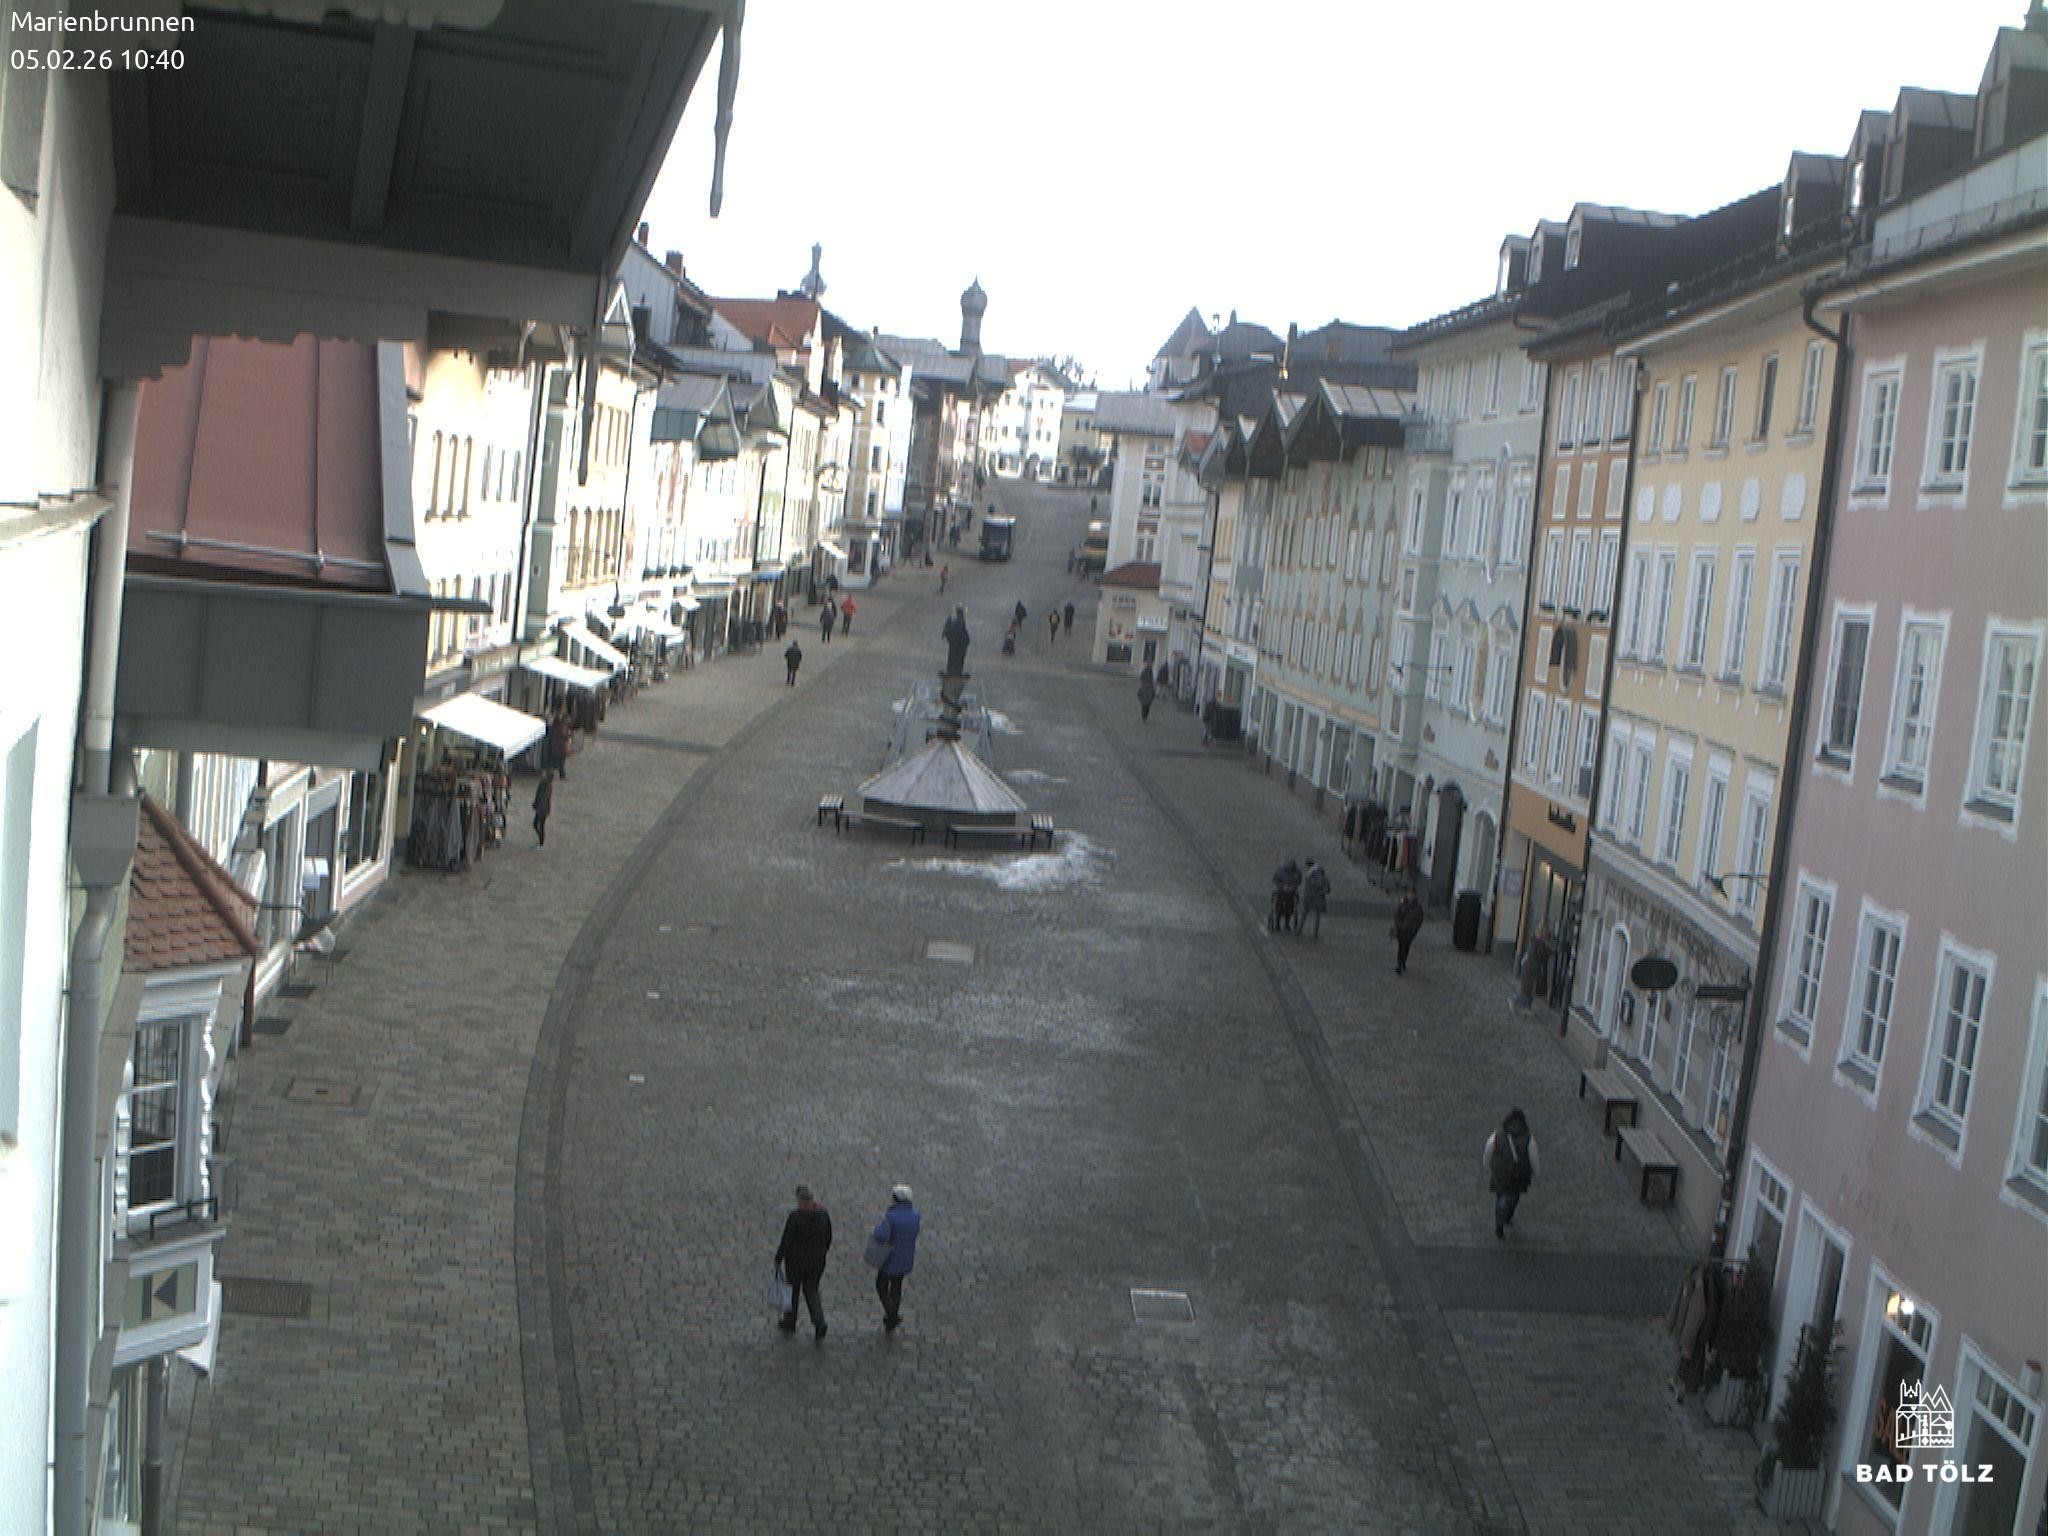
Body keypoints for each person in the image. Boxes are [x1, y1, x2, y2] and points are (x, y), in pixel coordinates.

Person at [774, 1184, 833, 1339]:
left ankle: (790, 1320)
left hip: (795, 1262)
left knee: (793, 1291)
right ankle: (819, 1321)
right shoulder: (823, 1215)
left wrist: (779, 1257)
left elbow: (786, 1240)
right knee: (812, 1291)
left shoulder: (795, 1217)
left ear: (800, 1200)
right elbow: (828, 1238)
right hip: (817, 1261)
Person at [871, 1184, 920, 1332]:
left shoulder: (891, 1217)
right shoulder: (916, 1216)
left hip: (890, 1258)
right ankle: (891, 1319)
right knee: (896, 1287)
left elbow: (880, 1235)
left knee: (881, 1285)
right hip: (906, 1257)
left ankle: (892, 1315)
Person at [1483, 1109, 1537, 1239]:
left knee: (1501, 1196)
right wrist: (1534, 1172)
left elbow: (1488, 1151)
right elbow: (1533, 1157)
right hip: (1518, 1175)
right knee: (1514, 1195)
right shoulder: (1528, 1138)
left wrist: (1489, 1166)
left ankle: (1499, 1223)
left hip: (1500, 1172)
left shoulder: (1497, 1135)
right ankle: (1507, 1216)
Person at [1392, 887, 1425, 974]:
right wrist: (1399, 924)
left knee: (1405, 947)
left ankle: (1403, 962)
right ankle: (1399, 964)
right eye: (1408, 894)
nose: (1410, 896)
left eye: (1411, 895)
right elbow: (1397, 914)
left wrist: (1412, 929)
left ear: (1415, 896)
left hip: (1410, 932)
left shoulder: (1418, 907)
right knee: (1401, 947)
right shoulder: (1402, 903)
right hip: (1401, 930)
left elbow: (1419, 920)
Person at [1519, 926, 1552, 1010]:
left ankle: (1526, 1007)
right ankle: (1516, 1002)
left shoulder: (1534, 941)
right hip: (1532, 969)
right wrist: (1552, 950)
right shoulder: (1538, 942)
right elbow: (1543, 954)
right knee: (1529, 989)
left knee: (1530, 989)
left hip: (1531, 968)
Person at [1271, 857, 1302, 932]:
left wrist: (1292, 887)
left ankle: (1287, 924)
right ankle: (1277, 924)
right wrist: (1282, 886)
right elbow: (1275, 880)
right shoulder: (1280, 871)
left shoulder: (1297, 872)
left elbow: (1298, 881)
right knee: (1279, 908)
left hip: (1291, 894)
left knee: (1289, 909)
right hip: (1281, 893)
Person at [1301, 860, 1331, 937]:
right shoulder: (1322, 876)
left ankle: (1300, 929)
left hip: (1311, 898)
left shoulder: (1312, 875)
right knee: (1316, 916)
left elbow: (1311, 887)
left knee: (1305, 913)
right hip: (1318, 899)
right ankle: (1315, 932)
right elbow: (1327, 889)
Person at [531, 770, 554, 848]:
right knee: (536, 825)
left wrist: (539, 807)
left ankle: (541, 843)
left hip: (542, 809)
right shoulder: (543, 784)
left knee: (540, 825)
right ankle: (540, 841)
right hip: (540, 808)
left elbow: (543, 798)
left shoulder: (546, 786)